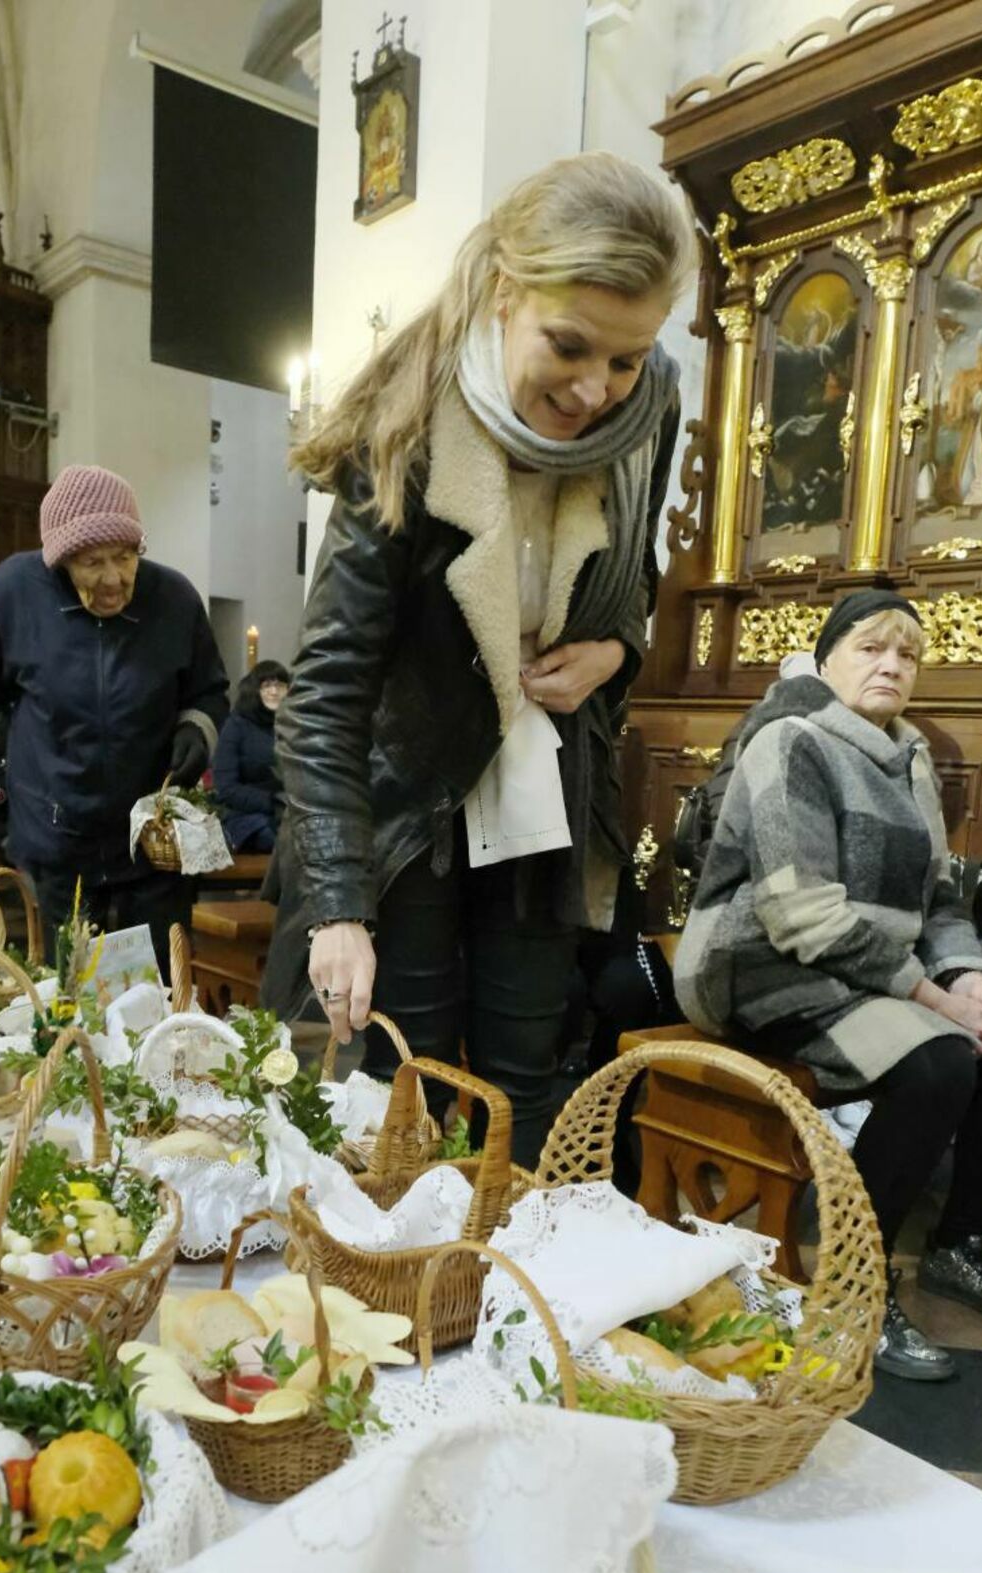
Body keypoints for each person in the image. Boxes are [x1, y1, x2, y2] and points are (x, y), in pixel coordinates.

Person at [261, 152, 692, 1166]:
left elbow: (639, 575)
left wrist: (613, 650)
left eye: (626, 359)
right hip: (407, 803)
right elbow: (323, 694)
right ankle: (392, 1313)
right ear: (507, 291)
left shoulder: (650, 404)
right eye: (571, 345)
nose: (597, 390)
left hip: (543, 795)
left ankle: (513, 1299)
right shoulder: (405, 424)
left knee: (529, 1082)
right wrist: (338, 904)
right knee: (398, 1089)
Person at [673, 588, 982, 1380]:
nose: (891, 664)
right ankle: (854, 1291)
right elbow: (798, 915)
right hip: (760, 968)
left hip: (870, 975)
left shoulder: (910, 756)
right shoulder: (791, 742)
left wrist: (969, 977)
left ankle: (959, 1247)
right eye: (869, 647)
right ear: (824, 661)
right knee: (939, 1061)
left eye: (907, 653)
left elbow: (940, 899)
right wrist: (931, 997)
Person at [0, 464, 229, 973]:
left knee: (157, 983)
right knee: (72, 986)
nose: (114, 578)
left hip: (151, 836)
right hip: (58, 831)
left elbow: (208, 691)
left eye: (124, 557)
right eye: (93, 562)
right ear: (59, 560)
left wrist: (195, 728)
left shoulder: (174, 598)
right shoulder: (12, 593)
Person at [213, 661, 291, 853]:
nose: (274, 691)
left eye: (280, 685)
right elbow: (226, 788)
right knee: (273, 837)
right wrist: (273, 801)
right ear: (255, 690)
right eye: (267, 686)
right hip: (247, 815)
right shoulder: (237, 725)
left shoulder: (294, 725)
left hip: (291, 812)